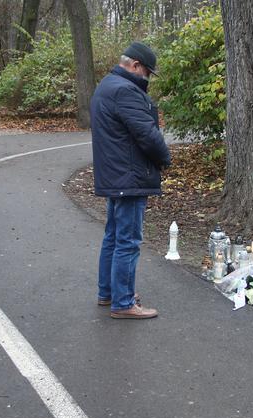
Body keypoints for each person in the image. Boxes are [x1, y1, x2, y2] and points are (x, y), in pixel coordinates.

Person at [91, 42, 171, 319]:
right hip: (130, 176)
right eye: (147, 72)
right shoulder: (126, 91)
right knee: (128, 240)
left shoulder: (107, 85)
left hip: (116, 175)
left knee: (113, 237)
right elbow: (147, 135)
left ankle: (108, 292)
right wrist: (165, 159)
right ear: (135, 65)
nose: (148, 78)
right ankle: (123, 303)